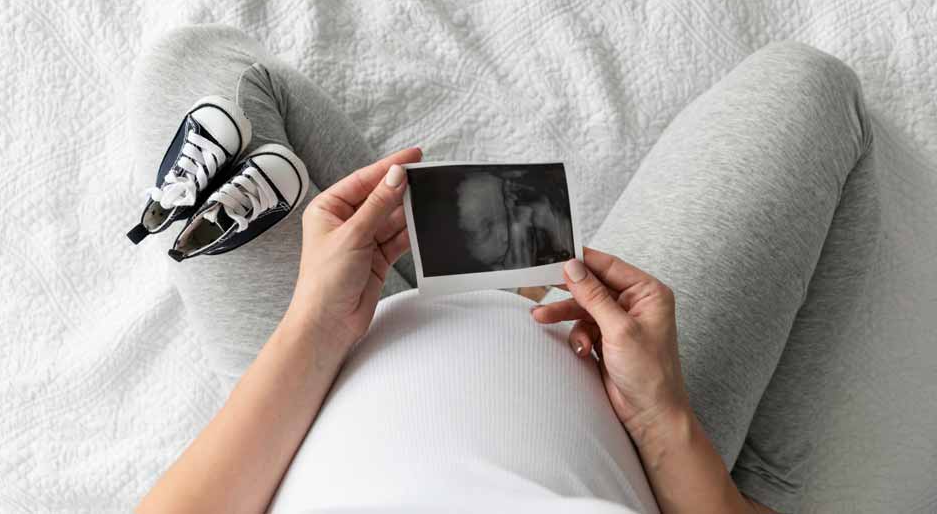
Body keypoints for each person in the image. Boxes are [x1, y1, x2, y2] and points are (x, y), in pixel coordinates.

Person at [130, 25, 878, 514]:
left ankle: (451, 246)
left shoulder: (318, 333)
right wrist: (664, 419)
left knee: (196, 74)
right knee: (809, 88)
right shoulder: (654, 416)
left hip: (317, 371)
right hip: (631, 412)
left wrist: (311, 332)